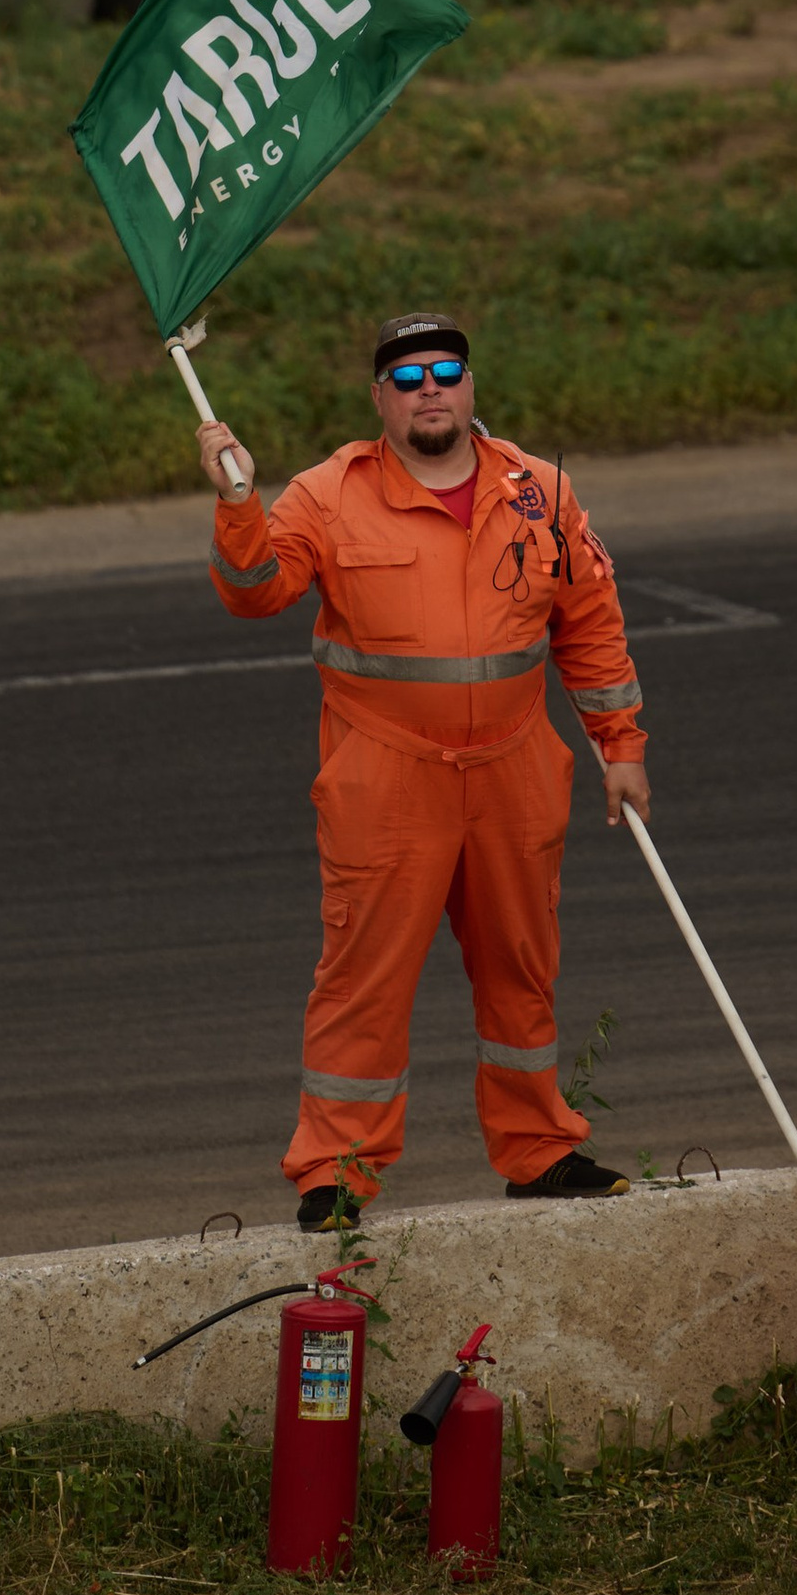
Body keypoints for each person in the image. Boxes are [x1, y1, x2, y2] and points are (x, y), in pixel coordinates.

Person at [194, 309, 652, 1231]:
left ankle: (540, 1151)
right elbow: (256, 592)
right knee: (363, 978)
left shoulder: (542, 491)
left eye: (445, 371)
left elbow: (590, 621)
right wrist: (238, 502)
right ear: (380, 399)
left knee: (522, 968)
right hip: (388, 776)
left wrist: (622, 745)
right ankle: (335, 1173)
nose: (428, 388)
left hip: (517, 766)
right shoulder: (328, 493)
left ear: (471, 385)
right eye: (407, 378)